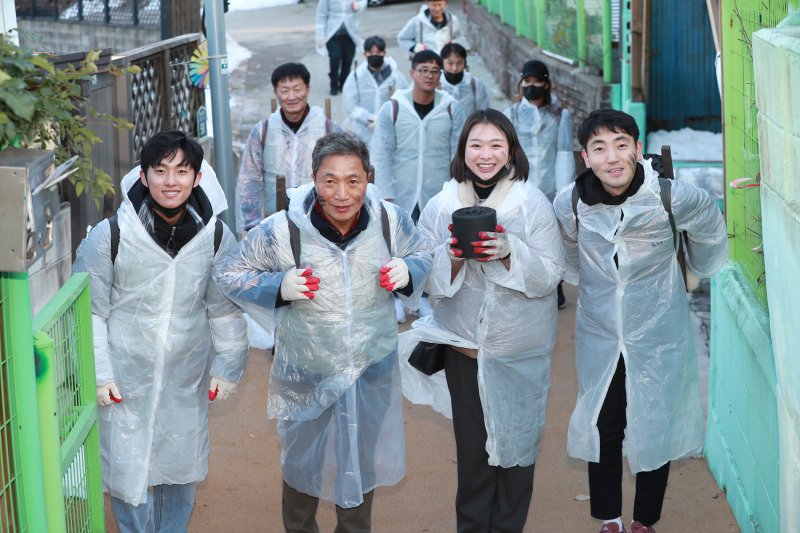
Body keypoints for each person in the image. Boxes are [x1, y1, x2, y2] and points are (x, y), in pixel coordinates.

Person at [217, 131, 432, 533]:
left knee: (359, 462)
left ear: (368, 178)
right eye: (329, 180)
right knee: (302, 463)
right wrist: (277, 286)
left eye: (353, 180)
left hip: (371, 367)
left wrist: (410, 271)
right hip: (306, 367)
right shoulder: (285, 229)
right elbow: (230, 272)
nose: (342, 193)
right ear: (313, 179)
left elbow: (423, 250)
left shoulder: (389, 220)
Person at [552, 109, 728, 533]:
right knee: (604, 423)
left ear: (635, 147)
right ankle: (609, 518)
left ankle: (644, 520)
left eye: (620, 144)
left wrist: (692, 274)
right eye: (599, 148)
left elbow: (709, 229)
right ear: (585, 157)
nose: (612, 157)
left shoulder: (671, 196)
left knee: (655, 420)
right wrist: (595, 288)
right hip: (601, 334)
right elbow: (571, 256)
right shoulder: (570, 202)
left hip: (658, 332)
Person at [73, 131, 249, 533]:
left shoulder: (217, 238)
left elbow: (224, 311)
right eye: (161, 170)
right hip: (123, 379)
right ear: (144, 175)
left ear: (197, 178)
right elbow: (91, 312)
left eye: (181, 171)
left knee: (179, 468)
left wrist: (228, 368)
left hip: (185, 377)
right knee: (128, 472)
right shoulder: (111, 237)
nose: (171, 181)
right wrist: (100, 375)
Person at [401, 109, 565, 532]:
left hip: (519, 353)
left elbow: (550, 275)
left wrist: (510, 252)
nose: (485, 154)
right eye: (476, 145)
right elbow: (422, 278)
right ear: (462, 152)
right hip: (464, 350)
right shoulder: (441, 207)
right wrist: (452, 258)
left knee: (517, 454)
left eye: (496, 145)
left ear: (511, 151)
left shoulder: (531, 204)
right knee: (474, 459)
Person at [236, 62, 341, 233]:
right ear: (276, 93)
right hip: (275, 222)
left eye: (297, 89)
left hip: (321, 222)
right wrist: (251, 224)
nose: (291, 97)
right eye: (284, 91)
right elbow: (249, 179)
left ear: (308, 89)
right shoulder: (262, 131)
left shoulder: (328, 129)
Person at [504, 59, 575, 308]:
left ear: (547, 83)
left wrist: (563, 193)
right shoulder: (510, 114)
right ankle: (525, 285)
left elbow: (564, 153)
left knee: (550, 242)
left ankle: (555, 286)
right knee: (520, 239)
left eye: (537, 81)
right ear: (521, 83)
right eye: (527, 81)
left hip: (550, 188)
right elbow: (507, 154)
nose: (531, 86)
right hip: (519, 188)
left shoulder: (559, 115)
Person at [371, 50, 466, 221]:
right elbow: (381, 153)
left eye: (435, 71)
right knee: (402, 245)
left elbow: (459, 154)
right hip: (401, 193)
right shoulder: (393, 108)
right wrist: (385, 194)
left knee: (439, 245)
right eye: (423, 70)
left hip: (440, 194)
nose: (429, 75)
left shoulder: (451, 109)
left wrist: (458, 191)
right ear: (412, 73)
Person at [342, 35, 409, 144]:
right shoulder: (356, 77)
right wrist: (370, 119)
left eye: (378, 52)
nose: (375, 55)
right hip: (362, 131)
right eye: (371, 52)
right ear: (365, 54)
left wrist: (384, 119)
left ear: (384, 53)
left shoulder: (395, 75)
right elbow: (350, 106)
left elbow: (404, 100)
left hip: (390, 128)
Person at [315, 0, 367, 95]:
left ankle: (344, 84)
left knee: (347, 60)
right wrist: (320, 35)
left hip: (350, 34)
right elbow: (321, 15)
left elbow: (364, 2)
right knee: (335, 58)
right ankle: (334, 84)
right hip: (333, 35)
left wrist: (358, 6)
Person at [439, 42, 490, 116]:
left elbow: (484, 112)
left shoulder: (475, 84)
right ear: (442, 64)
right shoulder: (436, 86)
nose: (455, 68)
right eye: (450, 63)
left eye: (459, 63)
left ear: (465, 63)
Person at [397, 0, 462, 58]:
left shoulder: (452, 20)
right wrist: (415, 47)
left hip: (447, 62)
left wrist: (455, 44)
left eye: (440, 4)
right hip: (425, 63)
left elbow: (458, 37)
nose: (437, 9)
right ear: (427, 3)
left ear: (445, 3)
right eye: (434, 5)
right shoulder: (417, 21)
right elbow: (402, 38)